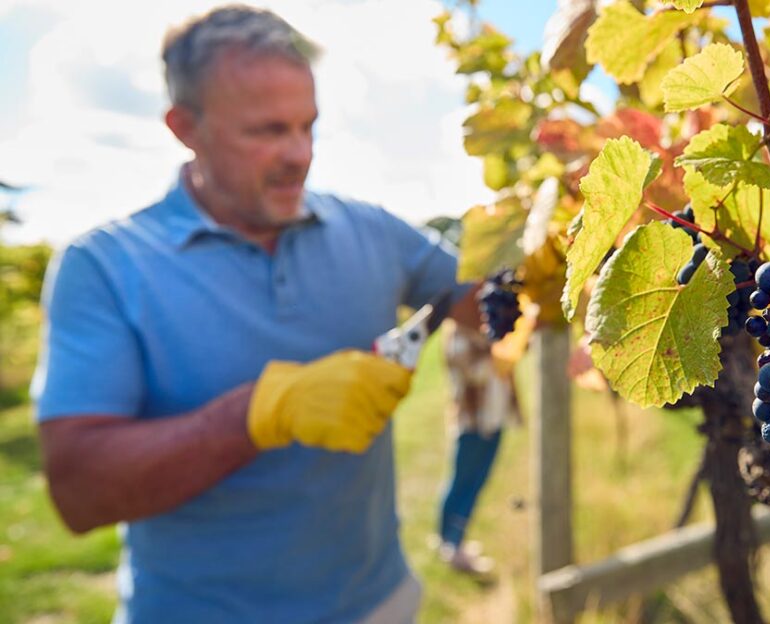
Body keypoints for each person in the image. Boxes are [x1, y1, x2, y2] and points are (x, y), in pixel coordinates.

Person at [31, 5, 478, 623]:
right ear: (184, 127)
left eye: (308, 126)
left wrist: (557, 251)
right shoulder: (106, 267)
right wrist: (258, 414)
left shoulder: (370, 229)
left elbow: (480, 298)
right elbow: (79, 493)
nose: (300, 154)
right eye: (266, 131)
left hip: (377, 601)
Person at [434, 321, 521, 575]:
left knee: (476, 482)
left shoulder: (484, 325)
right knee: (462, 481)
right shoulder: (458, 331)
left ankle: (455, 538)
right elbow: (473, 370)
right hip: (474, 422)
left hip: (492, 418)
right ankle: (450, 543)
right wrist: (505, 354)